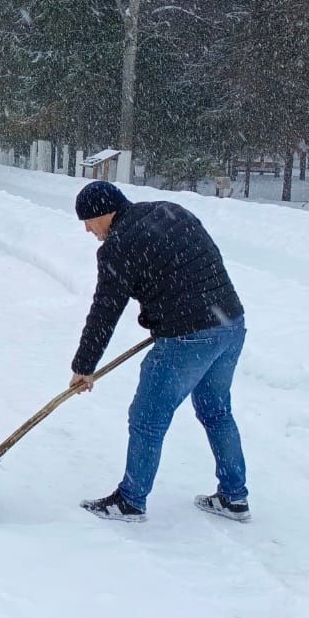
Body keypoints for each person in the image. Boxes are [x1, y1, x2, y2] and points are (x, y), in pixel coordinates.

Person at [69, 181, 250, 523]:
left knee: (147, 418)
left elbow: (105, 310)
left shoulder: (118, 246)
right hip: (230, 324)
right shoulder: (170, 211)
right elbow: (198, 267)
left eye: (88, 221)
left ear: (104, 213)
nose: (87, 230)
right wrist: (158, 314)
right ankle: (234, 496)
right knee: (216, 412)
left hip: (187, 337)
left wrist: (84, 365)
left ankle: (131, 501)